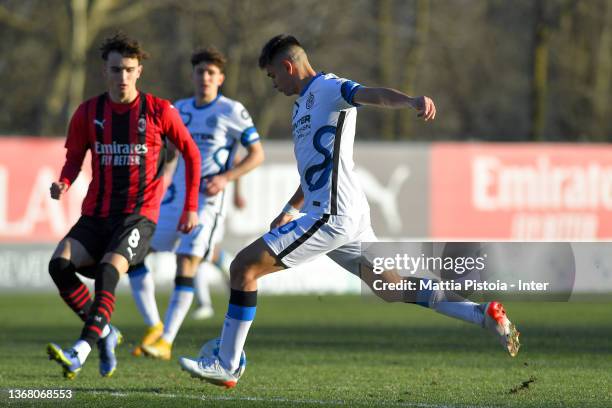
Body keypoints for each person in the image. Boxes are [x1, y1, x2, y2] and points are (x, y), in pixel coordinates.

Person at [178, 34, 521, 388]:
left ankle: (227, 364)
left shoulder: (328, 87)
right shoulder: (301, 107)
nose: (274, 85)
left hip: (332, 215)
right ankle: (481, 314)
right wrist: (290, 208)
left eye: (272, 77)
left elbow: (371, 94)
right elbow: (315, 169)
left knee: (243, 268)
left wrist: (410, 101)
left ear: (287, 66)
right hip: (343, 216)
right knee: (391, 288)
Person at [46, 33, 201, 379]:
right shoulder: (89, 111)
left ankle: (81, 350)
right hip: (96, 214)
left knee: (107, 272)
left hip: (138, 216)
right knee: (58, 265)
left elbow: (191, 152)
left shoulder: (159, 110)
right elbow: (74, 158)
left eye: (129, 70)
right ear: (105, 71)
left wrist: (191, 206)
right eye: (116, 70)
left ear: (139, 71)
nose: (122, 77)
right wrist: (64, 182)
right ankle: (105, 331)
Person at [128, 47, 264, 360]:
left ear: (221, 78)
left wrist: (227, 178)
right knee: (134, 253)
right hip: (174, 198)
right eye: (200, 72)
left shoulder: (232, 111)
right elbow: (170, 152)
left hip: (206, 203)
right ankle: (154, 327)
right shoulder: (179, 109)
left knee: (186, 263)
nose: (205, 77)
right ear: (192, 76)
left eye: (211, 73)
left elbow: (257, 154)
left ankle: (166, 340)